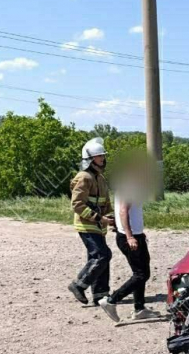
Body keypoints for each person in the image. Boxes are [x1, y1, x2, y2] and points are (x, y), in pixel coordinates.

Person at [98, 159, 161, 325]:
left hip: (136, 235)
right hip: (130, 238)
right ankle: (111, 300)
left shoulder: (130, 187)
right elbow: (123, 211)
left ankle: (139, 309)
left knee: (141, 272)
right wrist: (129, 236)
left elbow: (127, 213)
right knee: (142, 274)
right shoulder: (130, 187)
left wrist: (137, 233)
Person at [68, 138, 114, 307]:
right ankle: (78, 285)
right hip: (87, 225)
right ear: (89, 158)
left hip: (98, 226)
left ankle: (100, 295)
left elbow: (106, 203)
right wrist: (99, 218)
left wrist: (111, 218)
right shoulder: (83, 177)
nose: (102, 158)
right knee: (103, 255)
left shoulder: (100, 178)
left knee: (100, 259)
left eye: (103, 155)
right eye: (99, 156)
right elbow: (77, 204)